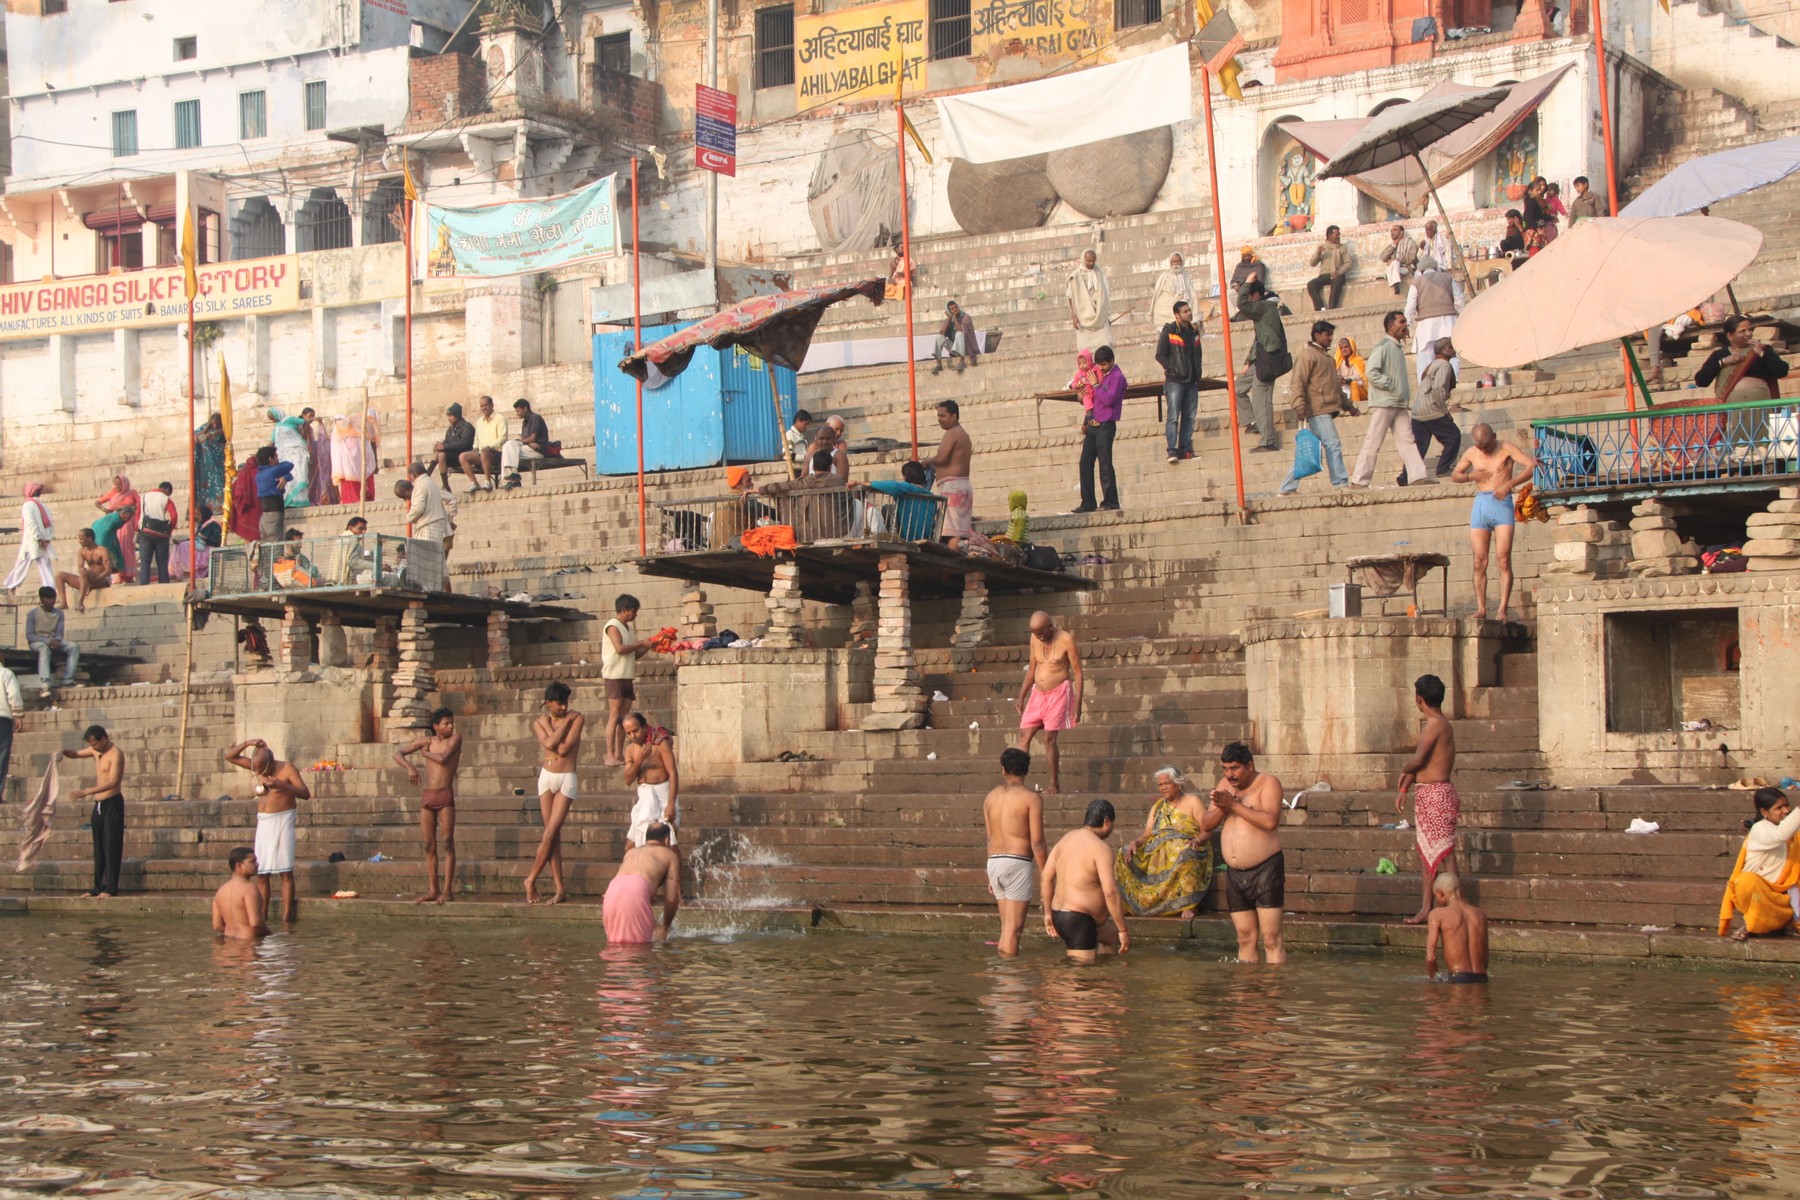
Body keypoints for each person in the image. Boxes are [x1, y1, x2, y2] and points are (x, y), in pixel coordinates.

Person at [1200, 741, 1286, 963]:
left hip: (1266, 869)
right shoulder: (1224, 786)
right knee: (1244, 938)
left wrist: (1234, 806)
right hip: (1236, 874)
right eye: (1225, 769)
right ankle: (1247, 992)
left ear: (1250, 765)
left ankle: (1273, 991)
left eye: (1235, 768)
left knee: (1270, 939)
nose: (1230, 775)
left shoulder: (1268, 783)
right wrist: (1222, 807)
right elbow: (1206, 824)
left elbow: (1270, 822)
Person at [1450, 423, 1538, 622]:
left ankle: (1502, 609)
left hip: (1502, 504)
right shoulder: (1472, 453)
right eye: (1481, 447)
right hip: (1481, 504)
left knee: (1503, 559)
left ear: (1494, 437)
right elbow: (1455, 475)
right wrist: (1470, 476)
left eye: (1488, 446)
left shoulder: (1506, 447)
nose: (1484, 451)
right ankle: (1481, 608)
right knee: (1478, 561)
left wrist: (1510, 483)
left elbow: (1531, 465)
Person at [225, 737, 310, 923]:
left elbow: (305, 794)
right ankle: (262, 916)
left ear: (270, 762)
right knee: (262, 872)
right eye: (257, 770)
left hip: (283, 820)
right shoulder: (257, 765)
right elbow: (230, 756)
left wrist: (283, 785)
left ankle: (287, 917)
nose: (260, 773)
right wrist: (248, 743)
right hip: (264, 822)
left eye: (264, 770)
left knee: (285, 872)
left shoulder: (287, 768)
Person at [1396, 673, 1458, 925]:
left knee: (1444, 852)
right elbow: (1424, 765)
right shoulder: (1438, 724)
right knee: (1428, 854)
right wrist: (1406, 787)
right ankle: (1427, 907)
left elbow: (1418, 761)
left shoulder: (1435, 725)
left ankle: (1456, 904)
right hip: (1430, 794)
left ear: (1418, 698)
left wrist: (1403, 769)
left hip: (1436, 794)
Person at [1115, 765, 1213, 919]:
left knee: (1186, 853)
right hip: (1156, 851)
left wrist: (1196, 840)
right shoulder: (1158, 806)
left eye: (1166, 783)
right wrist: (1135, 842)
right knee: (1123, 852)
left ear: (1178, 783)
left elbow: (1207, 830)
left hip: (1189, 848)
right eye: (1160, 784)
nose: (1163, 788)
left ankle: (1188, 906)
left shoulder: (1193, 801)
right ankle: (1135, 904)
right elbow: (1147, 834)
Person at [1041, 798, 1130, 964]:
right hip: (1078, 920)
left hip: (1060, 916)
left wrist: (1048, 914)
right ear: (1106, 821)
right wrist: (1123, 929)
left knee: (1110, 938)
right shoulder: (1100, 848)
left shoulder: (1065, 839)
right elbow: (1110, 892)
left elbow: (1046, 877)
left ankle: (1105, 981)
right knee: (1081, 976)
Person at [1349, 311, 1429, 489]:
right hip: (1385, 402)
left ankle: (1418, 476)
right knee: (1373, 441)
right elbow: (1371, 372)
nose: (1405, 326)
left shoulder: (1396, 348)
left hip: (1398, 403)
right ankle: (1359, 480)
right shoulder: (1383, 346)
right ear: (1390, 326)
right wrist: (1390, 384)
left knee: (1407, 441)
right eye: (1401, 322)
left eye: (1405, 322)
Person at [393, 707, 463, 905]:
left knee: (448, 841)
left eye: (451, 723)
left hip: (445, 795)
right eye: (446, 724)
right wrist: (409, 767)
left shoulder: (456, 739)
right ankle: (434, 889)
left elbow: (443, 759)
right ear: (436, 727)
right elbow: (397, 753)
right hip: (428, 797)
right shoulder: (427, 741)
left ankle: (447, 890)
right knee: (428, 845)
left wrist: (424, 754)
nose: (451, 726)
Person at [523, 681, 584, 905]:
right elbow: (549, 743)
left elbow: (564, 748)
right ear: (548, 703)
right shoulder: (539, 722)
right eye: (559, 704)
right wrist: (554, 729)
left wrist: (561, 724)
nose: (564, 708)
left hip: (567, 778)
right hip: (546, 778)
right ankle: (560, 889)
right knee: (553, 837)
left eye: (566, 703)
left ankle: (530, 880)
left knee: (549, 834)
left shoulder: (577, 718)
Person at [983, 747, 1047, 957]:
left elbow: (990, 837)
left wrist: (990, 876)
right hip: (1016, 863)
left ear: (1003, 770)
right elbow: (1037, 842)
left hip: (994, 863)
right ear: (1026, 771)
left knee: (1006, 928)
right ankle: (1010, 979)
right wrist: (1046, 875)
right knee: (1013, 930)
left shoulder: (990, 797)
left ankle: (1002, 980)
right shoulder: (1031, 798)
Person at [1014, 611, 1082, 794]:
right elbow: (1031, 669)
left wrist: (1078, 703)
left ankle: (1053, 783)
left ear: (1050, 627)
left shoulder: (1066, 639)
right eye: (1036, 634)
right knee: (1023, 736)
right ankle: (1017, 782)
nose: (1039, 637)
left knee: (1049, 738)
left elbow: (1078, 673)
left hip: (1059, 693)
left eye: (1042, 633)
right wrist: (1022, 696)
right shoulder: (1034, 639)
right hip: (1038, 694)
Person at [1279, 320, 1349, 494]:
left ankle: (1287, 487)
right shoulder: (1307, 356)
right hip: (1317, 409)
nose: (1330, 338)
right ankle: (1340, 482)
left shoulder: (1328, 359)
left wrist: (1348, 405)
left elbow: (1336, 387)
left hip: (1325, 408)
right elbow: (1298, 382)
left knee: (1307, 452)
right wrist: (1298, 405)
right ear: (1317, 335)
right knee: (1332, 444)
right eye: (1328, 335)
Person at [1721, 787, 1800, 939]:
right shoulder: (1760, 829)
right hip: (1760, 898)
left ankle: (1788, 922)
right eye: (1779, 808)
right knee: (1747, 881)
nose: (1786, 810)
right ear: (1764, 812)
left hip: (1784, 900)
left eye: (1787, 805)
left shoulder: (1793, 834)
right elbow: (1781, 835)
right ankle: (1751, 924)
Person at [64, 725, 126, 899]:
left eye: (96, 744)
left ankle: (111, 888)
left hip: (112, 803)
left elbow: (114, 782)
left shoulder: (116, 754)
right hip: (98, 806)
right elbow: (75, 754)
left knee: (111, 846)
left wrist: (86, 792)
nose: (94, 748)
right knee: (99, 847)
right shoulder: (94, 751)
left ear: (104, 739)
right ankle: (98, 887)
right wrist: (61, 753)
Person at [603, 822, 683, 944]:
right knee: (640, 952)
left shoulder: (630, 853)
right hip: (637, 889)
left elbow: (628, 892)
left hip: (611, 892)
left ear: (647, 838)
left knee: (615, 945)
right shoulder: (670, 855)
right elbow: (672, 899)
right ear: (667, 840)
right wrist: (665, 927)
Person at [1235, 280, 1288, 453]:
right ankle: (1253, 422)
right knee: (1238, 387)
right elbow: (1259, 339)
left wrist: (1247, 283)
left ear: (1256, 295)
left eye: (1249, 295)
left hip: (1268, 360)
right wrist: (1248, 361)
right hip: (1259, 358)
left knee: (1261, 399)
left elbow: (1242, 304)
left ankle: (1267, 442)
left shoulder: (1265, 307)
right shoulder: (1263, 310)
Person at [1405, 338, 1463, 484]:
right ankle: (1443, 468)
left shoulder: (1432, 365)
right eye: (1451, 347)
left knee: (1418, 446)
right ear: (1444, 350)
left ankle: (1405, 475)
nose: (1454, 350)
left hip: (1418, 409)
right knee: (1453, 435)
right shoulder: (1444, 365)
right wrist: (1445, 411)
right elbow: (1438, 389)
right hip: (1432, 409)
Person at [1694, 315, 1791, 402]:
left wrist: (1761, 353)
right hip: (1731, 408)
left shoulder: (1762, 349)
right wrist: (1723, 362)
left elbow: (1782, 371)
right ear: (1730, 336)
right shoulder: (1719, 355)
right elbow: (1701, 381)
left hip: (1759, 404)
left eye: (1750, 329)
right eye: (1743, 331)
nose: (1748, 333)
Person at [1075, 346, 1125, 512]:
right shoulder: (1100, 374)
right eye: (1099, 365)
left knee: (1105, 463)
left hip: (1106, 424)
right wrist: (1082, 398)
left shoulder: (1117, 377)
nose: (1101, 368)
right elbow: (1092, 399)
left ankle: (1111, 500)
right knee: (1085, 463)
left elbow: (1108, 399)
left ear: (1112, 361)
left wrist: (1096, 384)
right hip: (1093, 423)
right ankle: (1088, 502)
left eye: (1104, 365)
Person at [920, 400, 973, 550]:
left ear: (954, 416)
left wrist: (926, 462)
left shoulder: (953, 433)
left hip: (954, 487)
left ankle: (953, 567)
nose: (939, 419)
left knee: (953, 532)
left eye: (943, 416)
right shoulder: (963, 434)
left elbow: (941, 459)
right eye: (938, 416)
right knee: (954, 531)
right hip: (959, 486)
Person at [601, 594, 648, 767]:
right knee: (614, 716)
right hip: (614, 676)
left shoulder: (629, 629)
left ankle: (619, 754)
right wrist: (642, 642)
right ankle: (609, 755)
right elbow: (620, 649)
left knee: (624, 718)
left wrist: (648, 647)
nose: (635, 615)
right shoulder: (613, 626)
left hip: (627, 675)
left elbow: (633, 655)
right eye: (633, 611)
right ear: (624, 610)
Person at [1155, 300, 1203, 465]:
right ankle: (1172, 450)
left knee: (1189, 417)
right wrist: (1173, 369)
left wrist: (1198, 373)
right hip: (1175, 381)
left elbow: (1198, 355)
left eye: (1189, 310)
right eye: (1185, 311)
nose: (1189, 313)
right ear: (1177, 315)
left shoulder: (1194, 331)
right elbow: (1160, 355)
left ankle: (1185, 450)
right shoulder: (1169, 331)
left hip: (1191, 381)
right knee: (1173, 417)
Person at [622, 711, 679, 849]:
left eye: (635, 731)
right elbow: (627, 779)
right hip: (645, 796)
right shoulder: (630, 750)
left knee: (669, 843)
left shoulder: (660, 743)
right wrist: (640, 759)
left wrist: (671, 803)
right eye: (628, 733)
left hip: (663, 796)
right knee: (630, 846)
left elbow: (673, 774)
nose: (633, 736)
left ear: (644, 726)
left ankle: (674, 870)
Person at [1403, 255, 1464, 383]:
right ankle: (1453, 383)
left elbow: (1410, 307)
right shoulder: (1448, 278)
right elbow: (1459, 302)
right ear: (1436, 268)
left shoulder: (1417, 281)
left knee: (1425, 357)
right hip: (1448, 321)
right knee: (1451, 355)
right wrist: (1463, 319)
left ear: (1421, 270)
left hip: (1427, 324)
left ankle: (1424, 386)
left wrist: (1406, 325)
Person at [1425, 871, 1488, 982]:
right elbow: (1486, 960)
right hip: (1482, 978)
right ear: (1461, 891)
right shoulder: (1480, 914)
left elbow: (1430, 958)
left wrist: (1433, 982)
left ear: (1440, 893)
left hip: (1457, 979)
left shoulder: (1437, 914)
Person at [211, 848, 270, 940]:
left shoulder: (220, 891)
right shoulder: (249, 888)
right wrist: (271, 935)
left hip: (229, 942)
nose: (257, 864)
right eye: (253, 862)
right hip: (248, 944)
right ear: (239, 866)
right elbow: (255, 923)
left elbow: (217, 926)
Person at [26, 587, 77, 692]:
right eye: (48, 598)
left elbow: (59, 633)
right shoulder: (32, 614)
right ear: (41, 599)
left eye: (53, 598)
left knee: (74, 646)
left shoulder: (59, 613)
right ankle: (45, 682)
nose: (52, 601)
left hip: (54, 641)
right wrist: (48, 641)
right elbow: (30, 636)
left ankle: (67, 679)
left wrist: (56, 641)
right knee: (44, 648)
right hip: (37, 643)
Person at [93, 476, 140, 582]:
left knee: (127, 547)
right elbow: (97, 502)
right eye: (116, 484)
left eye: (120, 484)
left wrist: (131, 512)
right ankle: (118, 574)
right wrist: (105, 510)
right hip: (114, 523)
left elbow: (139, 506)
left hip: (127, 523)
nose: (118, 486)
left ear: (125, 484)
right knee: (116, 547)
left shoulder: (132, 493)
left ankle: (128, 573)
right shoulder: (112, 493)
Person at [1066, 247, 1112, 353]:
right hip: (1083, 319)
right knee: (1085, 350)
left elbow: (1105, 293)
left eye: (1093, 261)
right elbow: (1070, 297)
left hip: (1100, 317)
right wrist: (1073, 317)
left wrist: (1106, 313)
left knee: (1106, 344)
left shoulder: (1099, 272)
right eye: (1089, 261)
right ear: (1083, 260)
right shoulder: (1075, 276)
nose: (1091, 263)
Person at [402, 463, 453, 555]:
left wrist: (408, 518)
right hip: (436, 526)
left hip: (428, 527)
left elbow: (418, 509)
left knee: (426, 558)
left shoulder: (420, 485)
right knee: (434, 559)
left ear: (413, 474)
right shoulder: (430, 482)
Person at [460, 395, 508, 491]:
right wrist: (475, 448)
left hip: (497, 453)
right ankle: (474, 483)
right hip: (482, 453)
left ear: (492, 405)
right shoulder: (479, 422)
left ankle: (488, 482)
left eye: (486, 405)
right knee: (463, 456)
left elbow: (503, 438)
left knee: (484, 453)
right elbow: (477, 439)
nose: (484, 408)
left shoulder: (500, 418)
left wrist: (489, 446)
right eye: (482, 406)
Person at [57, 529, 112, 612]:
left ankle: (80, 602)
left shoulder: (102, 550)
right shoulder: (81, 551)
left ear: (89, 539)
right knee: (59, 575)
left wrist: (96, 579)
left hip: (101, 580)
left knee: (85, 573)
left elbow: (108, 570)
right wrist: (82, 571)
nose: (79, 541)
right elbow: (80, 567)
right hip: (87, 580)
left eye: (81, 539)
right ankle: (63, 603)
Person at [501, 398, 551, 488]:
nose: (517, 414)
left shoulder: (535, 418)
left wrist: (522, 442)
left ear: (525, 408)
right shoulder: (525, 422)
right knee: (508, 445)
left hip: (537, 450)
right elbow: (526, 440)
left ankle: (514, 477)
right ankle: (513, 476)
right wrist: (525, 442)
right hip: (529, 448)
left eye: (518, 411)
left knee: (510, 448)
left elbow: (532, 438)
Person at [134, 481, 178, 586]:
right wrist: (169, 530)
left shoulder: (143, 497)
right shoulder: (167, 499)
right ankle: (164, 584)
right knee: (162, 562)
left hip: (145, 532)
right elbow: (174, 516)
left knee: (145, 561)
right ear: (168, 490)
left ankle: (144, 584)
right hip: (161, 534)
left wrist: (137, 529)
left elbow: (138, 515)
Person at [1306, 224, 1351, 312]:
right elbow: (1312, 263)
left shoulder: (1342, 247)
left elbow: (1348, 263)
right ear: (1329, 235)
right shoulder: (1322, 247)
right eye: (1336, 235)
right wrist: (1318, 253)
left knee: (1337, 281)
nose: (1338, 236)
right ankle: (1320, 307)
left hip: (1337, 274)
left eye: (1339, 234)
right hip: (1324, 275)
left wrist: (1338, 272)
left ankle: (1332, 308)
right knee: (1311, 284)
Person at [1148, 252, 1196, 332]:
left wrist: (1196, 313)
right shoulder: (1164, 276)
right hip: (1163, 310)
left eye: (1178, 261)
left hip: (1179, 309)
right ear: (1170, 263)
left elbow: (1192, 294)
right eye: (1174, 262)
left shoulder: (1185, 277)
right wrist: (1151, 312)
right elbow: (1156, 292)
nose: (1176, 264)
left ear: (1182, 262)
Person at [433, 403, 476, 490]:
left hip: (463, 456)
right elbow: (447, 442)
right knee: (440, 454)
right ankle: (446, 486)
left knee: (441, 452)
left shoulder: (467, 427)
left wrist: (444, 447)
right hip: (452, 457)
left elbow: (464, 444)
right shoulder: (450, 429)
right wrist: (439, 446)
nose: (449, 418)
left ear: (456, 415)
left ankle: (427, 475)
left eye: (450, 416)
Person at [255, 450, 293, 544]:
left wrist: (285, 477)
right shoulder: (274, 471)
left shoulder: (259, 475)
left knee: (266, 545)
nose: (278, 459)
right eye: (276, 457)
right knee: (276, 544)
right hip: (274, 514)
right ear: (270, 459)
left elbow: (289, 476)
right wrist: (285, 476)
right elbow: (290, 465)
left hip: (264, 515)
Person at [932, 300, 980, 373]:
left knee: (959, 334)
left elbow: (960, 331)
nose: (955, 310)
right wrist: (949, 317)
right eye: (952, 309)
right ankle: (939, 364)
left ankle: (962, 361)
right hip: (955, 349)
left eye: (956, 307)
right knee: (939, 337)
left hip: (967, 348)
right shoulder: (950, 319)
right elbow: (943, 333)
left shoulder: (966, 318)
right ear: (950, 311)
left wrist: (954, 318)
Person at [229, 448, 265, 544]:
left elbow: (237, 495)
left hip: (247, 511)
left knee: (250, 540)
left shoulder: (243, 476)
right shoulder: (261, 473)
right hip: (260, 507)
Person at [0, 662, 23, 812]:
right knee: (1, 756)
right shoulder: (5, 673)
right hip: (3, 719)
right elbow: (13, 694)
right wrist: (18, 715)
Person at [194, 412, 228, 510]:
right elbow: (196, 434)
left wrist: (211, 434)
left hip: (220, 461)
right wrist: (199, 436)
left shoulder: (224, 429)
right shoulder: (206, 427)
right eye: (212, 423)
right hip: (208, 462)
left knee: (220, 483)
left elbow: (221, 435)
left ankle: (218, 505)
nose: (214, 425)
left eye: (216, 423)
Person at [1380, 223, 1419, 295]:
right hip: (1396, 270)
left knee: (1394, 262)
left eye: (1395, 230)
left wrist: (1397, 259)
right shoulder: (1392, 245)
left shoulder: (1410, 242)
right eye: (1391, 231)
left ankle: (1396, 285)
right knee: (1392, 264)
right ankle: (1395, 282)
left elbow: (1411, 258)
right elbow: (1383, 258)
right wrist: (1395, 243)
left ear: (1401, 232)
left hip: (1407, 268)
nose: (1392, 232)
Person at [1335, 336, 1369, 413]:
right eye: (1341, 348)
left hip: (1360, 391)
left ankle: (1354, 406)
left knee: (1353, 384)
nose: (1344, 350)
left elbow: (1359, 376)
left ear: (1352, 347)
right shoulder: (1338, 362)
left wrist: (1348, 380)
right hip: (1343, 389)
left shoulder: (1358, 360)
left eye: (1346, 347)